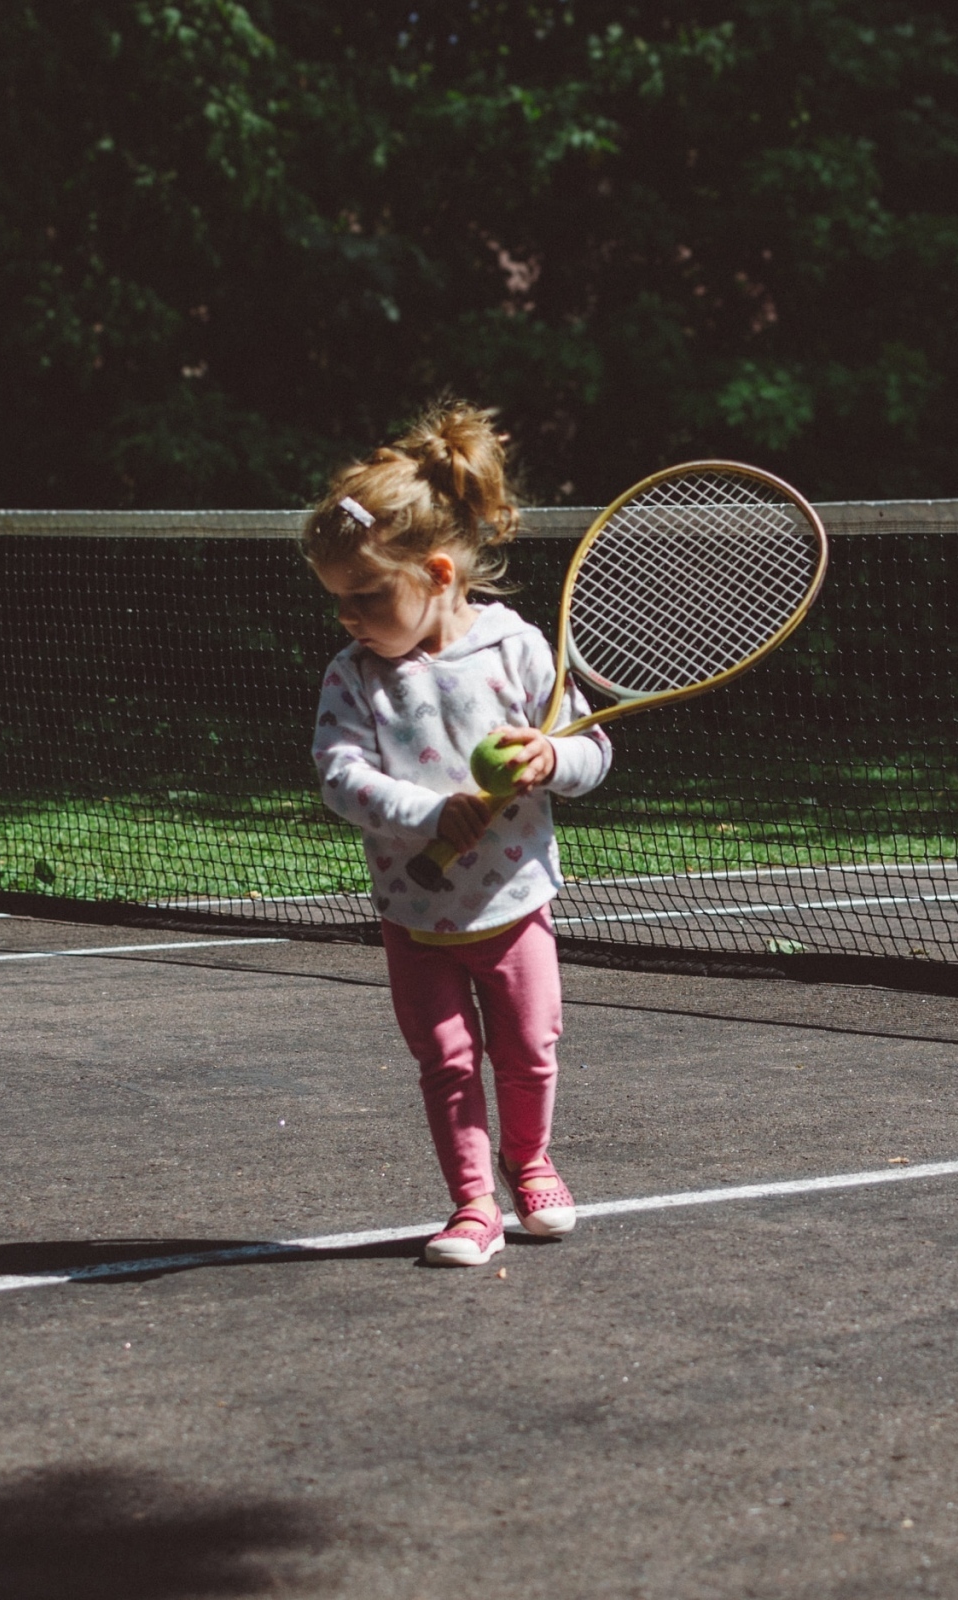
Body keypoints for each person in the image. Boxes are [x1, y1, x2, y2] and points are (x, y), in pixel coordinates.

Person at [303, 400, 612, 1267]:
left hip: (514, 904)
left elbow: (592, 752)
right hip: (414, 914)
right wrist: (430, 815)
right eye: (338, 601)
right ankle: (473, 1204)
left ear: (437, 572)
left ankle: (531, 1162)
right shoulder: (354, 676)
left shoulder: (518, 650)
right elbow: (339, 777)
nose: (349, 617)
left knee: (530, 1051)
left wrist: (552, 758)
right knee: (446, 1062)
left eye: (366, 596)